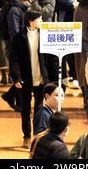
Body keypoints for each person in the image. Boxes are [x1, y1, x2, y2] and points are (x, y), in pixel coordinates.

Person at [10, 10, 58, 149]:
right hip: (25, 80)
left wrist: (54, 80)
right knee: (25, 109)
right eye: (39, 19)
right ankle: (26, 136)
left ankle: (38, 136)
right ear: (31, 21)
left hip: (42, 79)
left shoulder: (45, 36)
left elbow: (52, 59)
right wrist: (16, 77)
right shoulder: (19, 37)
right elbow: (14, 59)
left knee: (39, 109)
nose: (42, 22)